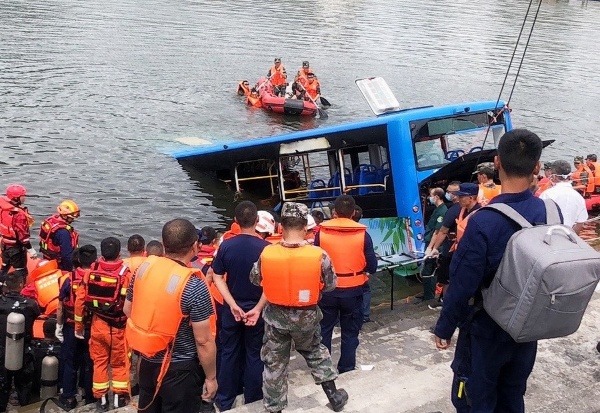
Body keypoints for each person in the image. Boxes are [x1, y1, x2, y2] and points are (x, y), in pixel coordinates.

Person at [434, 128, 556, 412]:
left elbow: (463, 283)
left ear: (497, 163)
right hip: (528, 327)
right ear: (537, 167)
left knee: (475, 397)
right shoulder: (550, 213)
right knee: (513, 394)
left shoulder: (483, 221)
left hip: (486, 329)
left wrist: (445, 327)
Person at [249, 202, 348, 413]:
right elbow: (331, 285)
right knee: (314, 351)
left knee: (274, 362)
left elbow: (255, 279)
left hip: (275, 318)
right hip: (306, 318)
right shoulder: (319, 255)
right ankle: (334, 396)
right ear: (305, 227)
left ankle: (274, 408)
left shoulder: (266, 253)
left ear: (280, 227)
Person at [124, 218, 217, 413]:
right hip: (180, 372)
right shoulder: (194, 285)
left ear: (164, 243)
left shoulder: (143, 270)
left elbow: (128, 310)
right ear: (194, 246)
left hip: (147, 364)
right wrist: (211, 377)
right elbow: (203, 340)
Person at [210, 201, 270, 411]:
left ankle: (225, 399)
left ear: (235, 221)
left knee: (228, 353)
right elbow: (271, 285)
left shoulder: (226, 245)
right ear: (256, 221)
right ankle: (253, 398)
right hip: (257, 310)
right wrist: (258, 308)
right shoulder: (267, 249)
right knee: (255, 354)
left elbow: (217, 276)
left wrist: (232, 304)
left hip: (232, 310)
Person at [315, 195, 377, 373]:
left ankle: (323, 368)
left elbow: (315, 259)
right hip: (354, 290)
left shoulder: (321, 232)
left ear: (334, 212)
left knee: (324, 330)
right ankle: (347, 367)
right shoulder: (363, 234)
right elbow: (372, 265)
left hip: (328, 289)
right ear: (353, 213)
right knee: (350, 332)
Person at [74, 237, 131, 411]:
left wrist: (79, 327)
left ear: (101, 254)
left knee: (99, 362)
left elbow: (80, 301)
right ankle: (119, 398)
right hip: (118, 327)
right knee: (119, 363)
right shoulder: (126, 274)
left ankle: (101, 400)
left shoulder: (90, 272)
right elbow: (131, 303)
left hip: (97, 324)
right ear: (120, 253)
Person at [56, 245, 97, 409]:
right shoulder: (97, 278)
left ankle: (68, 397)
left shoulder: (68, 278)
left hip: (71, 326)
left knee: (70, 363)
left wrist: (59, 326)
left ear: (78, 259)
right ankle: (90, 397)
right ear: (95, 260)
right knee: (90, 363)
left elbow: (60, 306)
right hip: (91, 327)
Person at [0, 271, 40, 412]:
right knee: (24, 383)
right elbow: (37, 313)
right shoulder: (30, 305)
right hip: (24, 349)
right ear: (21, 285)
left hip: (2, 349)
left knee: (2, 383)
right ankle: (25, 407)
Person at [426, 181, 460, 307]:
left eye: (450, 192)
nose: (448, 194)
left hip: (451, 248)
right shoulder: (458, 209)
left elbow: (441, 231)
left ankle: (446, 303)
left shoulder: (450, 211)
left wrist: (433, 248)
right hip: (455, 247)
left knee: (446, 278)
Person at [540, 160, 588, 234]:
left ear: (554, 176)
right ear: (570, 176)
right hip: (569, 237)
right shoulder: (579, 198)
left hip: (549, 236)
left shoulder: (547, 194)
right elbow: (580, 223)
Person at [416, 187, 447, 303]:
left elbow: (437, 232)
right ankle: (426, 293)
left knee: (429, 269)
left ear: (437, 197)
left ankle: (429, 296)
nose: (429, 198)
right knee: (426, 268)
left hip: (433, 244)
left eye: (431, 195)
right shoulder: (437, 209)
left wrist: (431, 248)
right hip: (429, 241)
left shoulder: (442, 211)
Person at [0, 184, 36, 279]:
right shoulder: (19, 215)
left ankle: (1, 284)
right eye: (22, 196)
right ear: (16, 198)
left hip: (5, 244)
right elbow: (23, 236)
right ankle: (18, 290)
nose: (24, 198)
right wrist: (30, 249)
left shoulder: (3, 208)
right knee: (21, 271)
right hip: (16, 248)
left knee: (5, 267)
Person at [39, 200, 80, 271]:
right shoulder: (63, 233)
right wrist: (69, 271)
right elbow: (66, 256)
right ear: (64, 216)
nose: (73, 220)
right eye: (71, 218)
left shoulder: (51, 222)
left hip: (48, 259)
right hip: (59, 265)